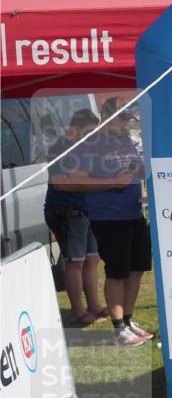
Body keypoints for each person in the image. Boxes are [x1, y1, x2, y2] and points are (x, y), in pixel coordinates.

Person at [77, 99, 154, 346]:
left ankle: (129, 321)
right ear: (105, 115)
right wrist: (114, 183)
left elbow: (136, 170)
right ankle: (118, 328)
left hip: (133, 213)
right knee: (117, 272)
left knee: (137, 268)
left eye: (128, 118)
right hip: (108, 218)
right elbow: (78, 180)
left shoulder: (125, 140)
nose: (125, 123)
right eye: (121, 117)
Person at [44, 109, 106, 327]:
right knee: (75, 262)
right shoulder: (61, 148)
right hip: (67, 211)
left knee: (92, 259)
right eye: (90, 131)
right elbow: (61, 183)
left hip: (85, 210)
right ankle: (78, 313)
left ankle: (95, 307)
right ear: (76, 128)